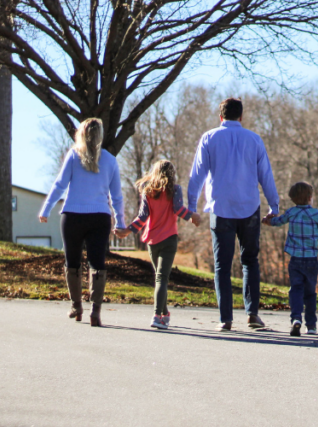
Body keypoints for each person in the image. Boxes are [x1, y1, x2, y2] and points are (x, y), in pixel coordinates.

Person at [186, 98, 280, 332]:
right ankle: (252, 314)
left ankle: (225, 318)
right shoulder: (254, 139)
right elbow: (265, 175)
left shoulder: (209, 138)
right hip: (249, 207)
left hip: (221, 209)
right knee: (250, 261)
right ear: (241, 117)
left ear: (221, 117)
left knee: (222, 266)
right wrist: (274, 206)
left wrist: (191, 207)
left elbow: (196, 175)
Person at [38, 118, 127, 327]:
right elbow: (117, 196)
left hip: (73, 217)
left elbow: (60, 185)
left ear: (81, 134)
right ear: (100, 135)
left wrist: (46, 209)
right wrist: (120, 221)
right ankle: (95, 311)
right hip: (100, 218)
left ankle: (76, 306)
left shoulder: (73, 156)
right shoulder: (110, 160)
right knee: (97, 263)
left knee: (73, 262)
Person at [126, 160, 201, 330]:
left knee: (160, 278)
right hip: (168, 239)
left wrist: (128, 230)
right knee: (162, 278)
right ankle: (156, 315)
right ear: (171, 174)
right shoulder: (175, 190)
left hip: (152, 241)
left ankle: (164, 314)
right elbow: (178, 209)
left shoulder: (148, 191)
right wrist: (192, 216)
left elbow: (142, 217)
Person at [263, 182, 318, 336]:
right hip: (311, 260)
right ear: (310, 198)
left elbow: (277, 222)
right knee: (310, 293)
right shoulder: (317, 214)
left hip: (295, 260)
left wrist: (268, 220)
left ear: (293, 198)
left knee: (296, 290)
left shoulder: (291, 213)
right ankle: (311, 325)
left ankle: (296, 318)